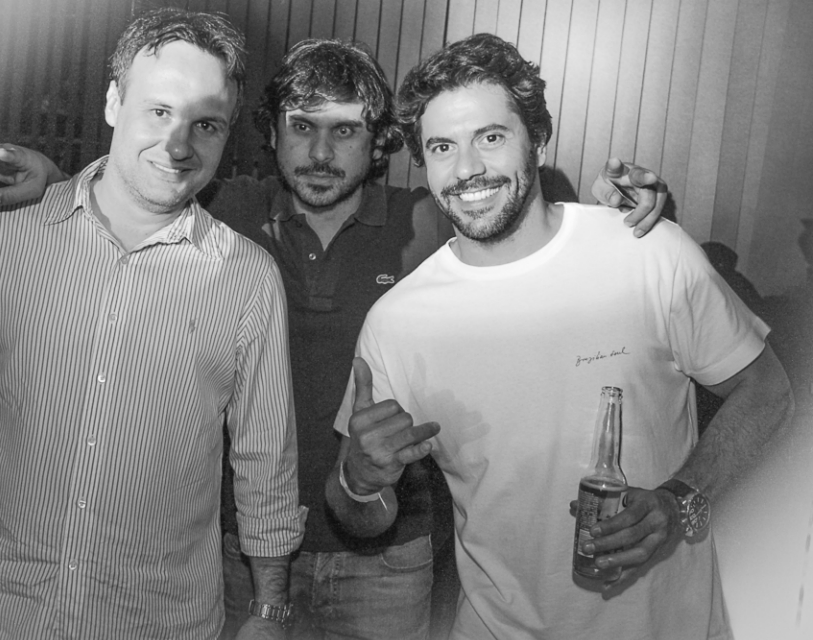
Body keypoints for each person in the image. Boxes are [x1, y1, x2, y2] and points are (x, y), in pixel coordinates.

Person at [0, 41, 667, 639]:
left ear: (380, 140)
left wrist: (611, 207)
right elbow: (131, 188)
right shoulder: (224, 211)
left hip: (389, 558)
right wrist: (52, 178)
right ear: (270, 133)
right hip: (236, 550)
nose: (321, 153)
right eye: (301, 126)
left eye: (346, 131)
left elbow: (520, 221)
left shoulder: (428, 223)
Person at [0, 9, 305, 640]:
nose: (179, 146)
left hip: (154, 624)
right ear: (114, 102)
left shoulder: (248, 279)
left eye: (206, 125)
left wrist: (269, 609)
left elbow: (265, 459)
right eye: (158, 111)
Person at [326, 33, 794, 640]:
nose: (466, 169)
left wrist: (681, 498)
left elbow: (768, 391)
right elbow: (359, 516)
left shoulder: (645, 252)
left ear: (538, 139)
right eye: (443, 147)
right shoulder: (398, 321)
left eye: (490, 137)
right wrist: (360, 481)